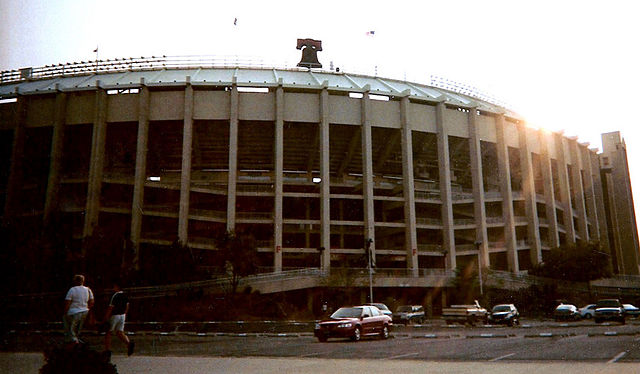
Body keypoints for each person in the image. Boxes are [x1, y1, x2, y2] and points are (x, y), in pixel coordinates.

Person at [104, 281, 134, 356]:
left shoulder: (115, 295)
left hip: (115, 315)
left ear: (117, 287)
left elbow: (111, 307)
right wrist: (125, 314)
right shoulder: (125, 295)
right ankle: (128, 343)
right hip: (122, 315)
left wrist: (106, 317)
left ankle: (107, 350)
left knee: (109, 332)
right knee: (120, 332)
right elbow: (127, 306)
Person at [63, 274, 94, 344]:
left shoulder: (72, 290)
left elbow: (67, 302)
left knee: (71, 328)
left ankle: (73, 341)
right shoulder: (88, 290)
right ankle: (78, 339)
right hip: (85, 311)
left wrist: (65, 312)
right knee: (79, 328)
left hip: (74, 312)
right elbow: (92, 301)